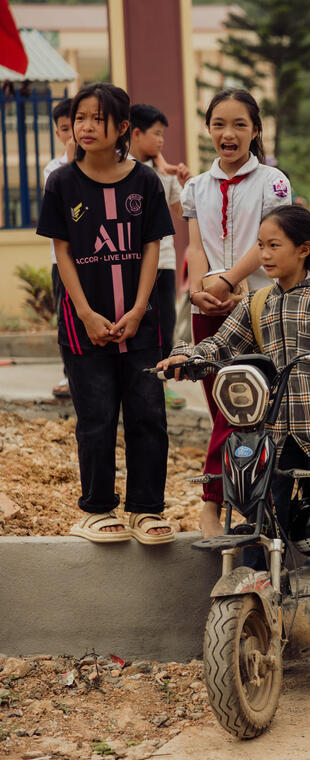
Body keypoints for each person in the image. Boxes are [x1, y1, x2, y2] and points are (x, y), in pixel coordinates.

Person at [159, 204, 310, 674]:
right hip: (276, 431)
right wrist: (187, 357)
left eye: (274, 246)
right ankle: (255, 612)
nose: (264, 255)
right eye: (260, 246)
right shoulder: (258, 302)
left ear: (303, 249)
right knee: (257, 515)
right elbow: (220, 345)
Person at [36, 82, 177, 545]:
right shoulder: (61, 182)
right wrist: (86, 314)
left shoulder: (146, 181)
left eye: (98, 118)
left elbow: (152, 247)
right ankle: (97, 509)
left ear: (122, 128)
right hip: (84, 326)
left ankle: (146, 508)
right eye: (80, 117)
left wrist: (137, 310)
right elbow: (62, 252)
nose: (86, 126)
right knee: (95, 417)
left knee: (148, 414)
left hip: (143, 325)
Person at [182, 87, 292, 537]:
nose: (228, 134)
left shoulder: (273, 182)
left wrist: (228, 282)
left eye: (239, 125)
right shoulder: (195, 187)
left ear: (255, 130)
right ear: (208, 129)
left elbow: (269, 243)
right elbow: (195, 247)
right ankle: (231, 502)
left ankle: (228, 503)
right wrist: (198, 290)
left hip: (260, 306)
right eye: (219, 124)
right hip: (208, 308)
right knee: (222, 411)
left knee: (253, 409)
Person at [129, 103, 187, 411]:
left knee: (165, 324)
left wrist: (185, 183)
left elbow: (183, 212)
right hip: (132, 263)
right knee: (138, 325)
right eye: (157, 134)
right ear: (136, 134)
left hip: (164, 261)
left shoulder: (165, 173)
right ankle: (137, 385)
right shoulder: (121, 170)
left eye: (163, 134)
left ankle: (162, 385)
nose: (162, 140)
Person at [43, 98, 74, 400]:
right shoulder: (53, 170)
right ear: (58, 133)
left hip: (95, 258)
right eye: (65, 129)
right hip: (62, 259)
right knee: (66, 319)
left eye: (74, 126)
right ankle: (69, 374)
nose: (71, 135)